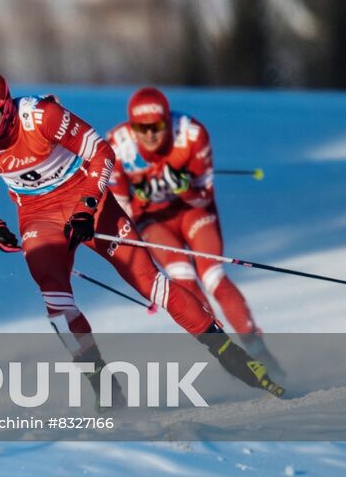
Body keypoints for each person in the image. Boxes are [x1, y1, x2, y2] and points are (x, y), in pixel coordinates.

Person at [0, 70, 284, 398]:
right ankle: (102, 383)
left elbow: (102, 152)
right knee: (56, 303)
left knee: (149, 281)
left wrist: (87, 206)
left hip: (86, 197)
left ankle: (231, 354)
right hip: (38, 216)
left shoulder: (41, 116)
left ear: (6, 106)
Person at [107, 87, 281, 373]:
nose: (150, 135)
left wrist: (186, 188)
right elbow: (122, 210)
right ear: (132, 126)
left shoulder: (190, 134)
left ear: (168, 121)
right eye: (142, 128)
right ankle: (229, 354)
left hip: (193, 212)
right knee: (183, 280)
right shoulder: (117, 145)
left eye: (157, 127)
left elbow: (205, 195)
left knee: (212, 275)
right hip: (155, 222)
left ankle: (257, 348)